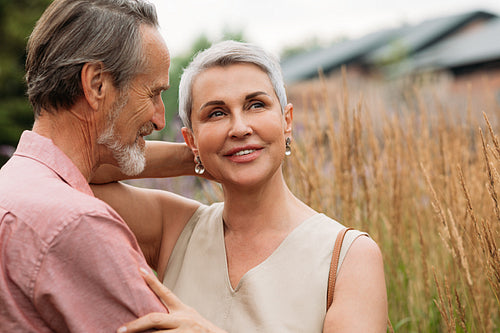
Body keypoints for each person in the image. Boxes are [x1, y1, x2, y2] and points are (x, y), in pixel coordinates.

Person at [92, 40, 388, 332]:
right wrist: (194, 157)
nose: (239, 128)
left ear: (287, 121)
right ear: (190, 137)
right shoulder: (173, 228)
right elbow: (73, 166)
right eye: (216, 113)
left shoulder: (348, 256)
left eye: (256, 105)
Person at [0, 0, 203, 331]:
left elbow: (97, 167)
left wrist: (197, 157)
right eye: (153, 94)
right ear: (96, 85)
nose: (159, 118)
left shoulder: (14, 186)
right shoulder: (79, 223)